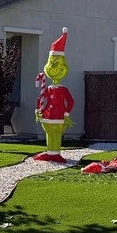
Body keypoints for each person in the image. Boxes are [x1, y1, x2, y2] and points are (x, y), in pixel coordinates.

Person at [33, 28, 74, 163]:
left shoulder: (63, 89)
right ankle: (50, 152)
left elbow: (71, 101)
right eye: (51, 65)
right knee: (49, 133)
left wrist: (66, 114)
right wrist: (38, 110)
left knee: (57, 133)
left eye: (57, 65)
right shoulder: (48, 88)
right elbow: (41, 98)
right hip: (47, 115)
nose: (54, 69)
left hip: (59, 116)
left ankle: (56, 153)